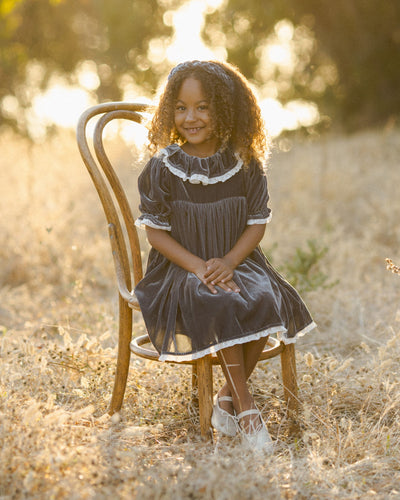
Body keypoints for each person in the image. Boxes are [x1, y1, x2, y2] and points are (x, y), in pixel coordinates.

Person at [134, 60, 316, 452]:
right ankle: (247, 409)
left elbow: (256, 224)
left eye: (203, 106)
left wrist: (230, 261)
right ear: (170, 110)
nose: (190, 117)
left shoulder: (244, 163)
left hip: (237, 260)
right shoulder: (164, 166)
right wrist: (201, 267)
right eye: (181, 107)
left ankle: (225, 399)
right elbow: (155, 234)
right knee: (218, 295)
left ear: (224, 109)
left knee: (266, 295)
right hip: (180, 268)